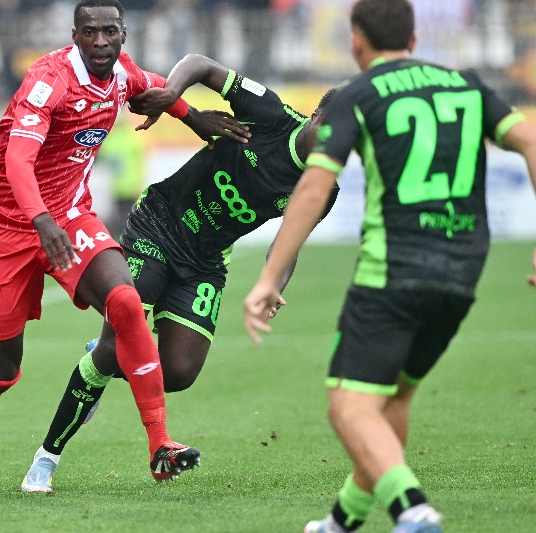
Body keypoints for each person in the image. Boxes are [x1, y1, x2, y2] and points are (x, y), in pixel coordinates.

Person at [243, 0, 536, 533]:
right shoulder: (466, 86)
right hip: (463, 269)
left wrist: (270, 276)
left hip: (392, 270)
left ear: (356, 42)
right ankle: (344, 519)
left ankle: (412, 509)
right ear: (414, 39)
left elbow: (314, 186)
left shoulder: (359, 94)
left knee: (349, 407)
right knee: (393, 397)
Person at [20, 53, 340, 493]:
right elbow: (200, 64)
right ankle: (46, 459)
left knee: (179, 372)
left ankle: (106, 358)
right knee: (117, 344)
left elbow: (288, 244)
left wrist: (272, 285)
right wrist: (171, 93)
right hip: (159, 224)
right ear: (316, 115)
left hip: (205, 261)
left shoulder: (324, 187)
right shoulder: (270, 113)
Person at [0, 0, 250, 486]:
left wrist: (193, 116)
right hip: (8, 228)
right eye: (90, 32)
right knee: (1, 371)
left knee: (125, 302)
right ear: (74, 36)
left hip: (70, 217)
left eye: (110, 32)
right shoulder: (48, 81)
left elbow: (152, 85)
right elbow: (17, 160)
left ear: (123, 35)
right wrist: (40, 220)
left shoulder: (120, 74)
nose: (101, 41)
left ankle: (160, 443)